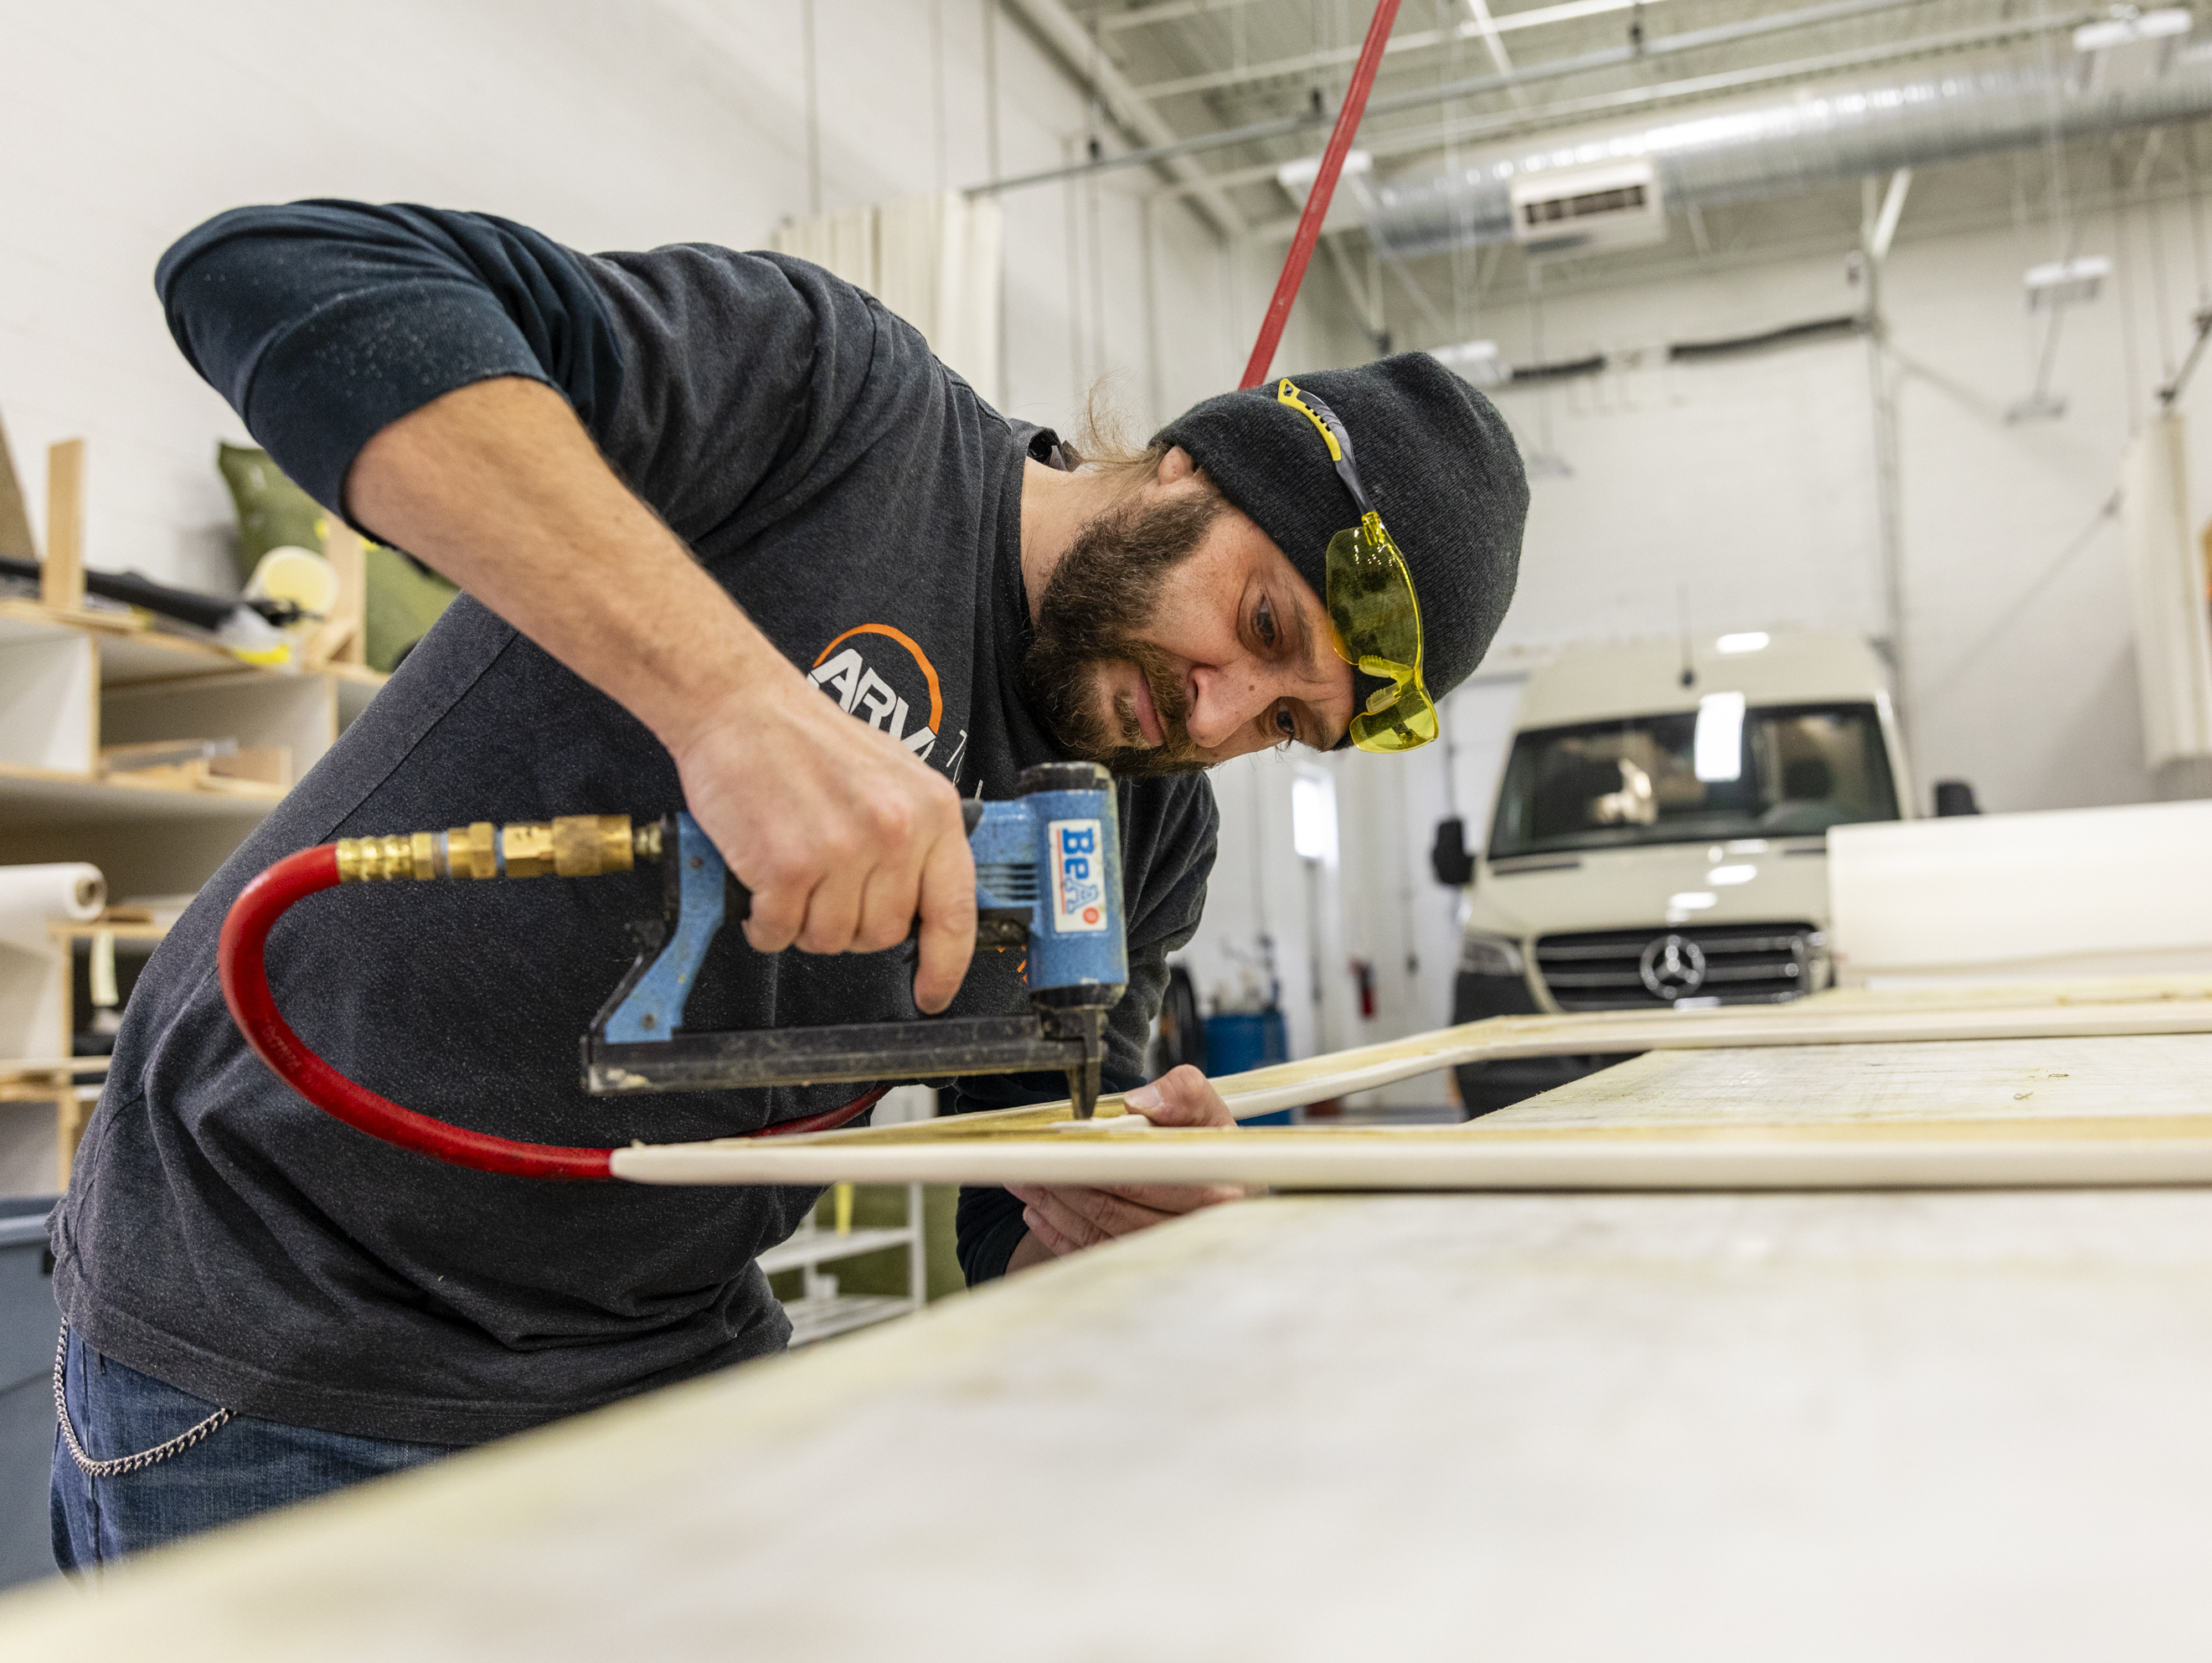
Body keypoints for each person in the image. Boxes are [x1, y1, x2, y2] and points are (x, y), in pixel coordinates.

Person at [48, 201, 1529, 1567]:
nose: (1215, 717)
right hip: (281, 1319)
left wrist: (1108, 1216)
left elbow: (1009, 1177)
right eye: (1257, 620)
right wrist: (730, 705)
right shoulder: (835, 407)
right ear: (1189, 467)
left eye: (1283, 721)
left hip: (651, 1350)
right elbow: (277, 271)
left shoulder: (1144, 828)